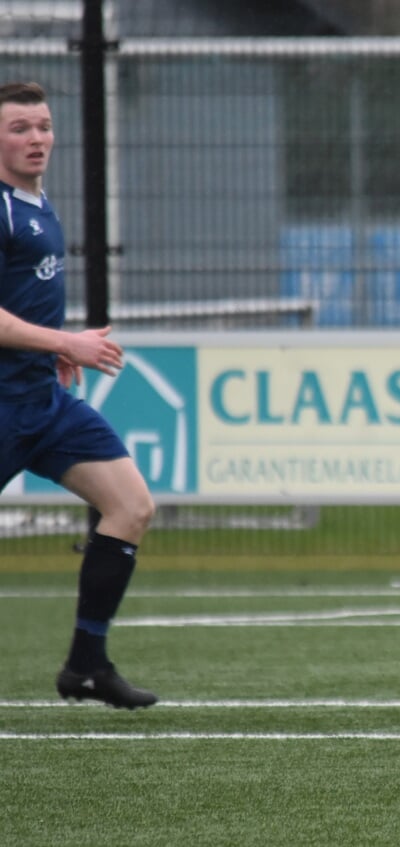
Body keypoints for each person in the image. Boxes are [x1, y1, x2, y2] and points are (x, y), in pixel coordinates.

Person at [0, 82, 159, 708]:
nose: (36, 138)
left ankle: (87, 665)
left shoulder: (37, 203)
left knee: (130, 506)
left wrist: (54, 351)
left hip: (44, 401)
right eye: (19, 128)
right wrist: (63, 339)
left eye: (43, 126)